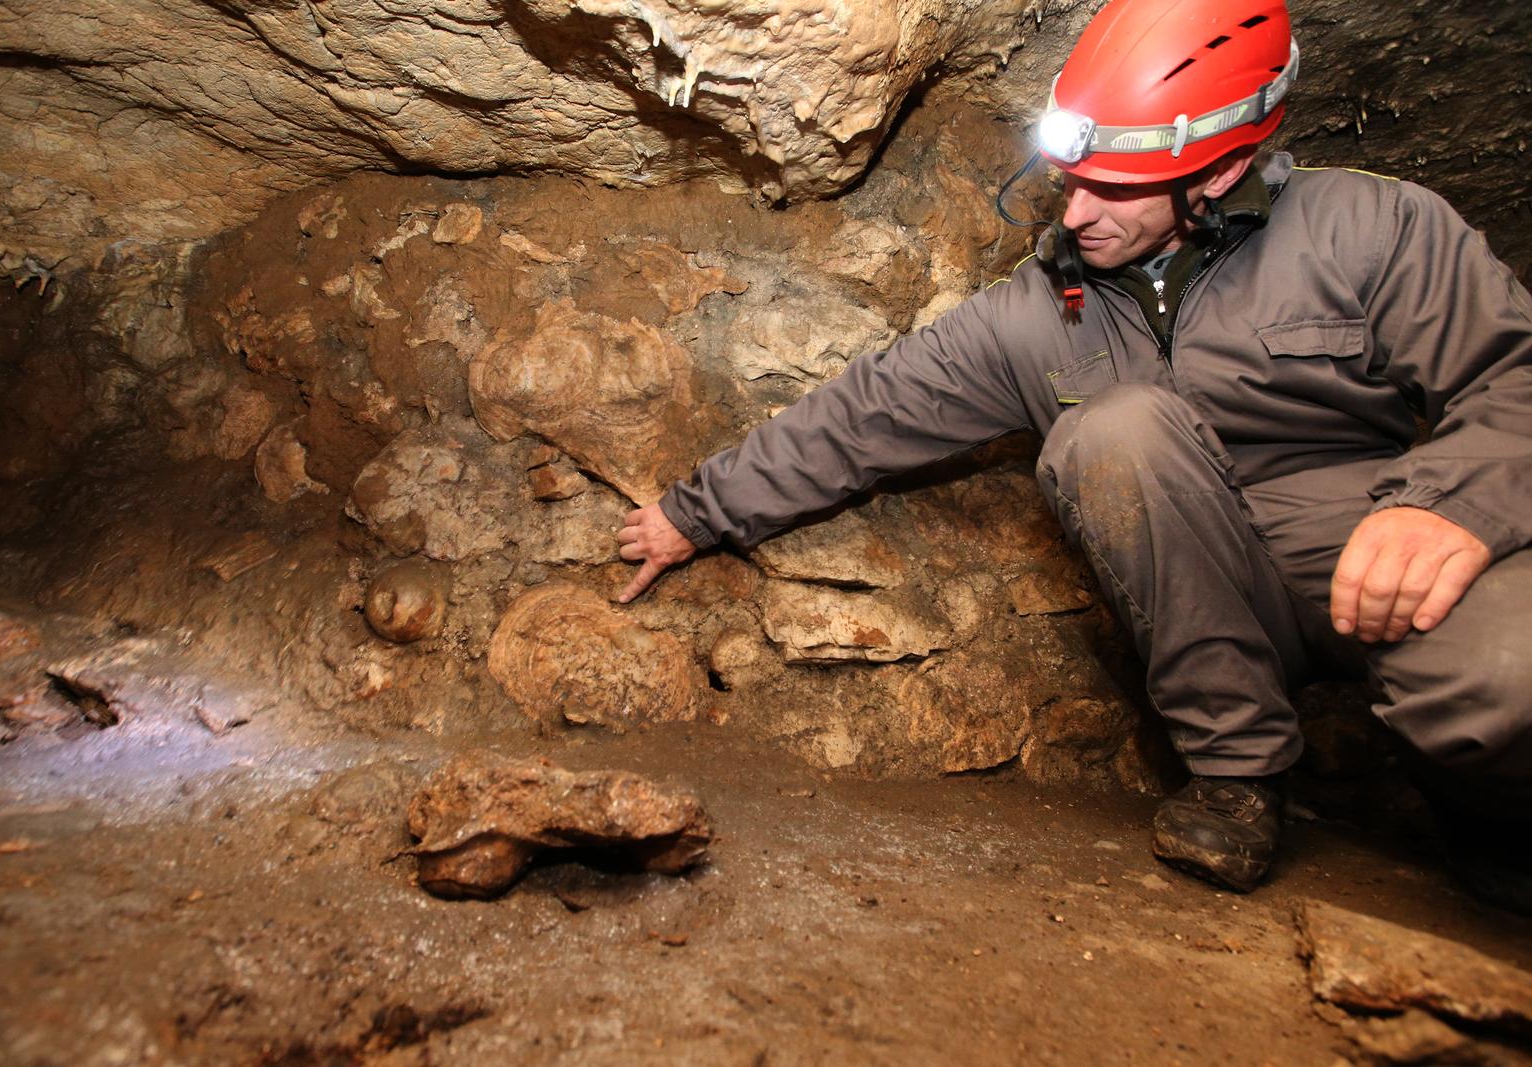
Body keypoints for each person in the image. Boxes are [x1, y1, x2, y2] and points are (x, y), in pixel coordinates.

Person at [615, 0, 1532, 909]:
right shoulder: (1032, 312)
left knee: (1507, 676)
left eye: (1116, 186)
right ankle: (1238, 780)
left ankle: (1488, 818)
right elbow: (863, 415)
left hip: (1364, 536)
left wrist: (1450, 502)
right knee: (1113, 427)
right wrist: (693, 514)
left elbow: (1514, 376)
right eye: (1069, 178)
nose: (1077, 210)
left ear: (1220, 170)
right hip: (1197, 577)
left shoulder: (1371, 228)